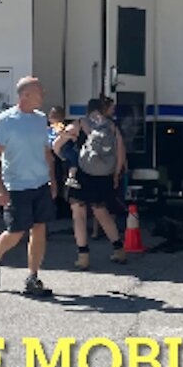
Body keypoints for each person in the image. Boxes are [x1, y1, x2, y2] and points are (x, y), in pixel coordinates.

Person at [0, 77, 58, 297]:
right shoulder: (5, 120)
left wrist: (52, 178)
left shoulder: (40, 119)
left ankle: (33, 277)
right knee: (16, 232)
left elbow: (46, 151)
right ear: (25, 95)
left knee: (39, 229)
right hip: (16, 185)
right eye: (39, 92)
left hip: (40, 183)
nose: (43, 95)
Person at [54, 97, 128, 270]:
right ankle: (119, 250)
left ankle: (83, 256)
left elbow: (56, 145)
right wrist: (116, 174)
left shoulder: (79, 124)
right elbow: (121, 153)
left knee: (78, 215)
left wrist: (68, 159)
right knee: (101, 212)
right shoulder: (111, 127)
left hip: (81, 173)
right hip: (103, 176)